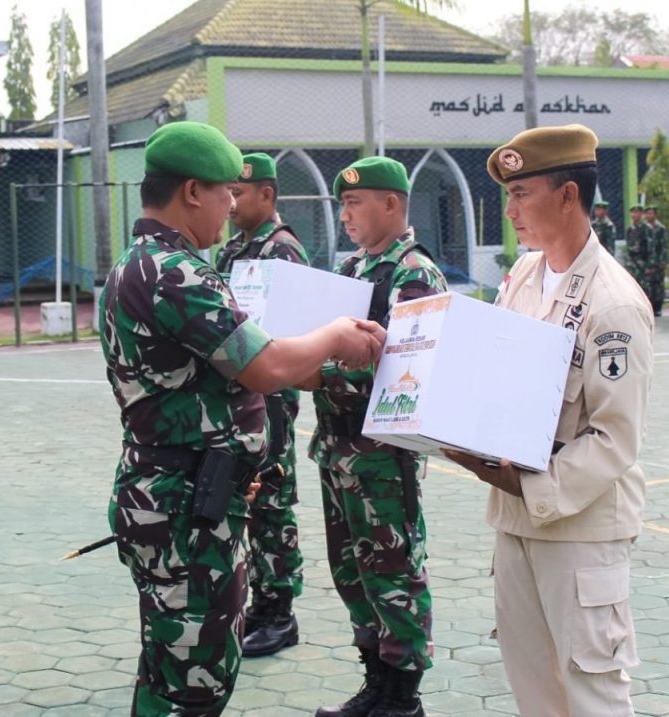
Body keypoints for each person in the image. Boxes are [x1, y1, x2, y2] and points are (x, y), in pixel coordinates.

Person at [99, 122, 385, 717]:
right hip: (185, 506)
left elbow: (246, 364)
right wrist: (334, 334)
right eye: (227, 192)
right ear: (194, 191)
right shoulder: (174, 271)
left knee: (168, 669)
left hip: (179, 494)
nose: (232, 206)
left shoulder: (147, 263)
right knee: (195, 684)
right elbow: (263, 365)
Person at [446, 124, 653, 717]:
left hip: (578, 525)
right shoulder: (522, 278)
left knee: (592, 692)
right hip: (516, 519)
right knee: (534, 686)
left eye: (521, 194)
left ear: (567, 195)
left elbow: (616, 437)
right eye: (507, 194)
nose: (508, 209)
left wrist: (529, 484)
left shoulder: (612, 301)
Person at [303, 156, 447, 717]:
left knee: (394, 571)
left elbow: (413, 367)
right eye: (341, 204)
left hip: (382, 456)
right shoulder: (353, 269)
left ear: (392, 204)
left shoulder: (414, 274)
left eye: (355, 203)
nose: (345, 215)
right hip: (338, 447)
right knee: (352, 572)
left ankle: (403, 697)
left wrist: (316, 367)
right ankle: (375, 683)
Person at [215, 152, 308, 657]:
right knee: (253, 500)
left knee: (272, 500)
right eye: (227, 192)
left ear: (267, 195)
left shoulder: (283, 250)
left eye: (240, 193)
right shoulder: (234, 249)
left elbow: (289, 329)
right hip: (240, 391)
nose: (230, 202)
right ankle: (258, 604)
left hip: (270, 395)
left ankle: (280, 611)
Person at [625, 204, 654, 306]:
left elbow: (651, 248)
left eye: (637, 212)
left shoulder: (647, 228)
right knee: (632, 286)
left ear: (641, 214)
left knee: (644, 288)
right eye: (632, 212)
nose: (634, 215)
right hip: (632, 263)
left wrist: (649, 265)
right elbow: (628, 247)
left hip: (642, 262)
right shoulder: (630, 229)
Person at [643, 205, 667, 317]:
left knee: (658, 285)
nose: (648, 215)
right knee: (648, 285)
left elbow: (663, 246)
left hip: (658, 260)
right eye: (647, 213)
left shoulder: (660, 228)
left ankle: (658, 307)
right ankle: (650, 306)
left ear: (655, 215)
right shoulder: (644, 228)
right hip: (647, 261)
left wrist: (662, 261)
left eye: (651, 213)